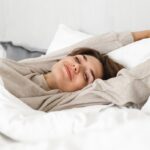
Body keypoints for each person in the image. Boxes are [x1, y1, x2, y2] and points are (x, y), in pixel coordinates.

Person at [0, 30, 150, 112]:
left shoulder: (54, 102)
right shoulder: (29, 67)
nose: (77, 67)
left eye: (86, 75)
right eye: (77, 60)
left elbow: (129, 85)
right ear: (65, 57)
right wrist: (144, 34)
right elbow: (97, 43)